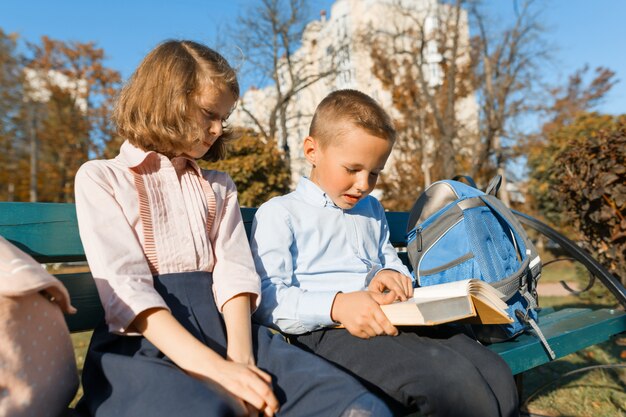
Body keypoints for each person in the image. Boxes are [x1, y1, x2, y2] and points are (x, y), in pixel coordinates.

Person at [73, 41, 391, 417]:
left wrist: (241, 358)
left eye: (223, 117)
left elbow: (235, 272)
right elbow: (127, 289)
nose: (217, 129)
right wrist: (217, 371)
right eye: (209, 113)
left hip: (229, 329)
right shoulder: (102, 178)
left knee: (351, 404)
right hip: (144, 342)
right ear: (164, 99)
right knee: (209, 408)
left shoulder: (218, 185)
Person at [251, 89, 520, 417]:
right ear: (312, 150)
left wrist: (389, 274)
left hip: (396, 320)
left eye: (374, 173)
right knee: (449, 384)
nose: (364, 184)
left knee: (494, 372)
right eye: (352, 169)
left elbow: (385, 258)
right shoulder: (281, 214)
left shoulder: (371, 209)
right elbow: (267, 299)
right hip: (329, 332)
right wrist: (336, 305)